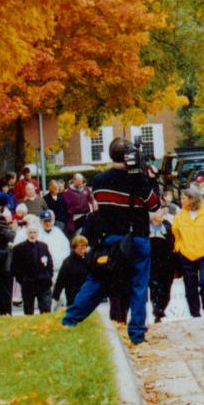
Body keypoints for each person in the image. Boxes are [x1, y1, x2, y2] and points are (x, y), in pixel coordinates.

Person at [63, 137, 159, 343]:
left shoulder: (99, 181)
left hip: (110, 239)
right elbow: (154, 205)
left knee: (97, 280)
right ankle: (137, 333)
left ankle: (70, 320)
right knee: (139, 286)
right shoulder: (138, 181)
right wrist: (150, 180)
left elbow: (101, 204)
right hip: (137, 238)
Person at [172, 185, 204, 318]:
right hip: (186, 254)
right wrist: (179, 248)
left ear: (192, 199)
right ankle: (195, 313)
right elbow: (176, 233)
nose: (181, 200)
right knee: (190, 286)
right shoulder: (179, 215)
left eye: (184, 198)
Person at [10, 222, 54, 314]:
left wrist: (48, 275)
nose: (32, 235)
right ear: (27, 233)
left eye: (34, 232)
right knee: (28, 310)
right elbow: (15, 267)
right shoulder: (19, 248)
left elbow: (49, 263)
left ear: (37, 233)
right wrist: (22, 280)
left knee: (46, 308)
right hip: (28, 283)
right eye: (30, 232)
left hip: (43, 282)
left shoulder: (43, 246)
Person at [147, 206, 175, 323]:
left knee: (166, 288)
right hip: (151, 262)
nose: (162, 213)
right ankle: (157, 310)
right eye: (159, 211)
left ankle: (162, 307)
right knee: (154, 287)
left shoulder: (168, 225)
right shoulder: (145, 227)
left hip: (167, 262)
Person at [52, 234, 90, 310]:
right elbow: (60, 280)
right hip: (72, 293)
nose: (83, 250)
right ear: (74, 248)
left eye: (84, 248)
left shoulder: (89, 259)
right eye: (80, 248)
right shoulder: (68, 262)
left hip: (87, 292)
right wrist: (56, 295)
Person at [37, 209, 71, 287]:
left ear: (53, 221)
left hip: (58, 270)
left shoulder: (58, 233)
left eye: (49, 221)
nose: (48, 223)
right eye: (45, 221)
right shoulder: (37, 234)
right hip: (43, 272)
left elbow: (66, 249)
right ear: (41, 222)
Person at [62, 172, 95, 238]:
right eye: (79, 181)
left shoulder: (86, 189)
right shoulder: (68, 192)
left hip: (86, 215)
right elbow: (66, 208)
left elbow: (91, 200)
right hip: (75, 218)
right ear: (74, 180)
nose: (80, 183)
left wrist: (93, 206)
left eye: (81, 181)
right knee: (77, 236)